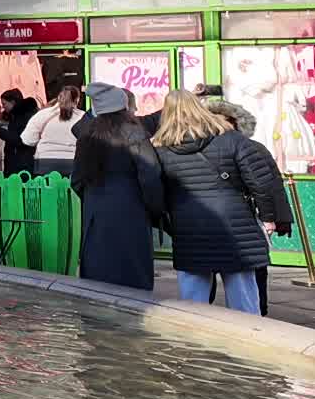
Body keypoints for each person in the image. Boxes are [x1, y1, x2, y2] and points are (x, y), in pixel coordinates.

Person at [151, 90, 281, 315]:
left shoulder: (160, 148)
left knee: (193, 299)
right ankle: (249, 340)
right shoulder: (231, 138)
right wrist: (269, 217)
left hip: (189, 225)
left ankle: (197, 343)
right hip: (234, 224)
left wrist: (165, 218)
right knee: (244, 297)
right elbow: (260, 181)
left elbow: (156, 189)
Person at [70, 85, 163, 290]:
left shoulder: (87, 135)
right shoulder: (134, 132)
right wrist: (155, 208)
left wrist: (92, 199)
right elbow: (150, 174)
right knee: (132, 274)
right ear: (123, 106)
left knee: (98, 276)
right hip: (131, 209)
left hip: (96, 212)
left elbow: (76, 180)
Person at [201, 95, 285, 317]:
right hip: (209, 220)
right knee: (207, 273)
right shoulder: (194, 148)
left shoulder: (251, 147)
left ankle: (259, 311)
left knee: (252, 272)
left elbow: (270, 183)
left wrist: (276, 217)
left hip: (243, 219)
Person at [21, 85, 85, 178]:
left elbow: (28, 140)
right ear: (77, 100)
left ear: (59, 97)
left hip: (45, 163)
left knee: (47, 191)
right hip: (74, 163)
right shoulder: (83, 116)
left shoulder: (42, 115)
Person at [0, 89, 40, 176]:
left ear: (13, 102)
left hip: (21, 163)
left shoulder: (24, 117)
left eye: (4, 104)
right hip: (17, 161)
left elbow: (20, 139)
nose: (3, 107)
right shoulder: (15, 115)